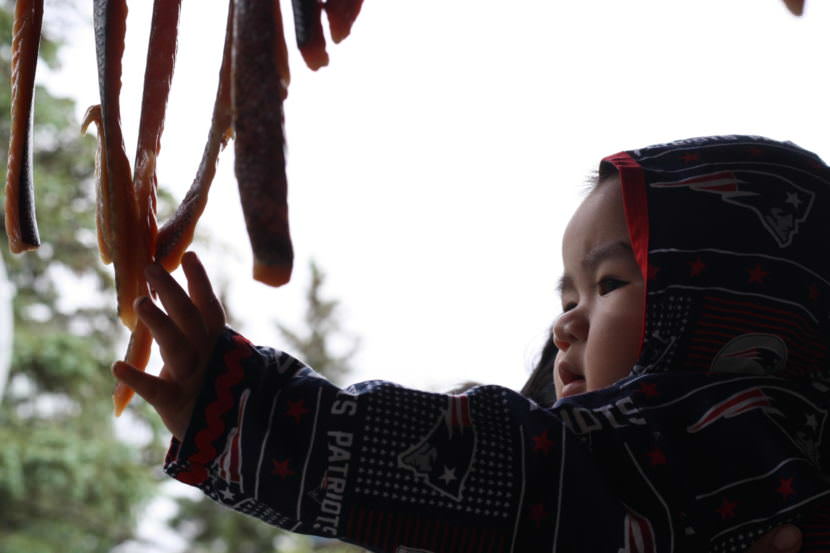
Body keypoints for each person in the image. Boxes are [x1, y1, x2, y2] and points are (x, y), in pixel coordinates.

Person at [114, 135, 830, 552]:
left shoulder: (724, 439)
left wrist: (245, 407)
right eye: (566, 297)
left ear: (732, 307)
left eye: (611, 282)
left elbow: (499, 471)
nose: (565, 325)